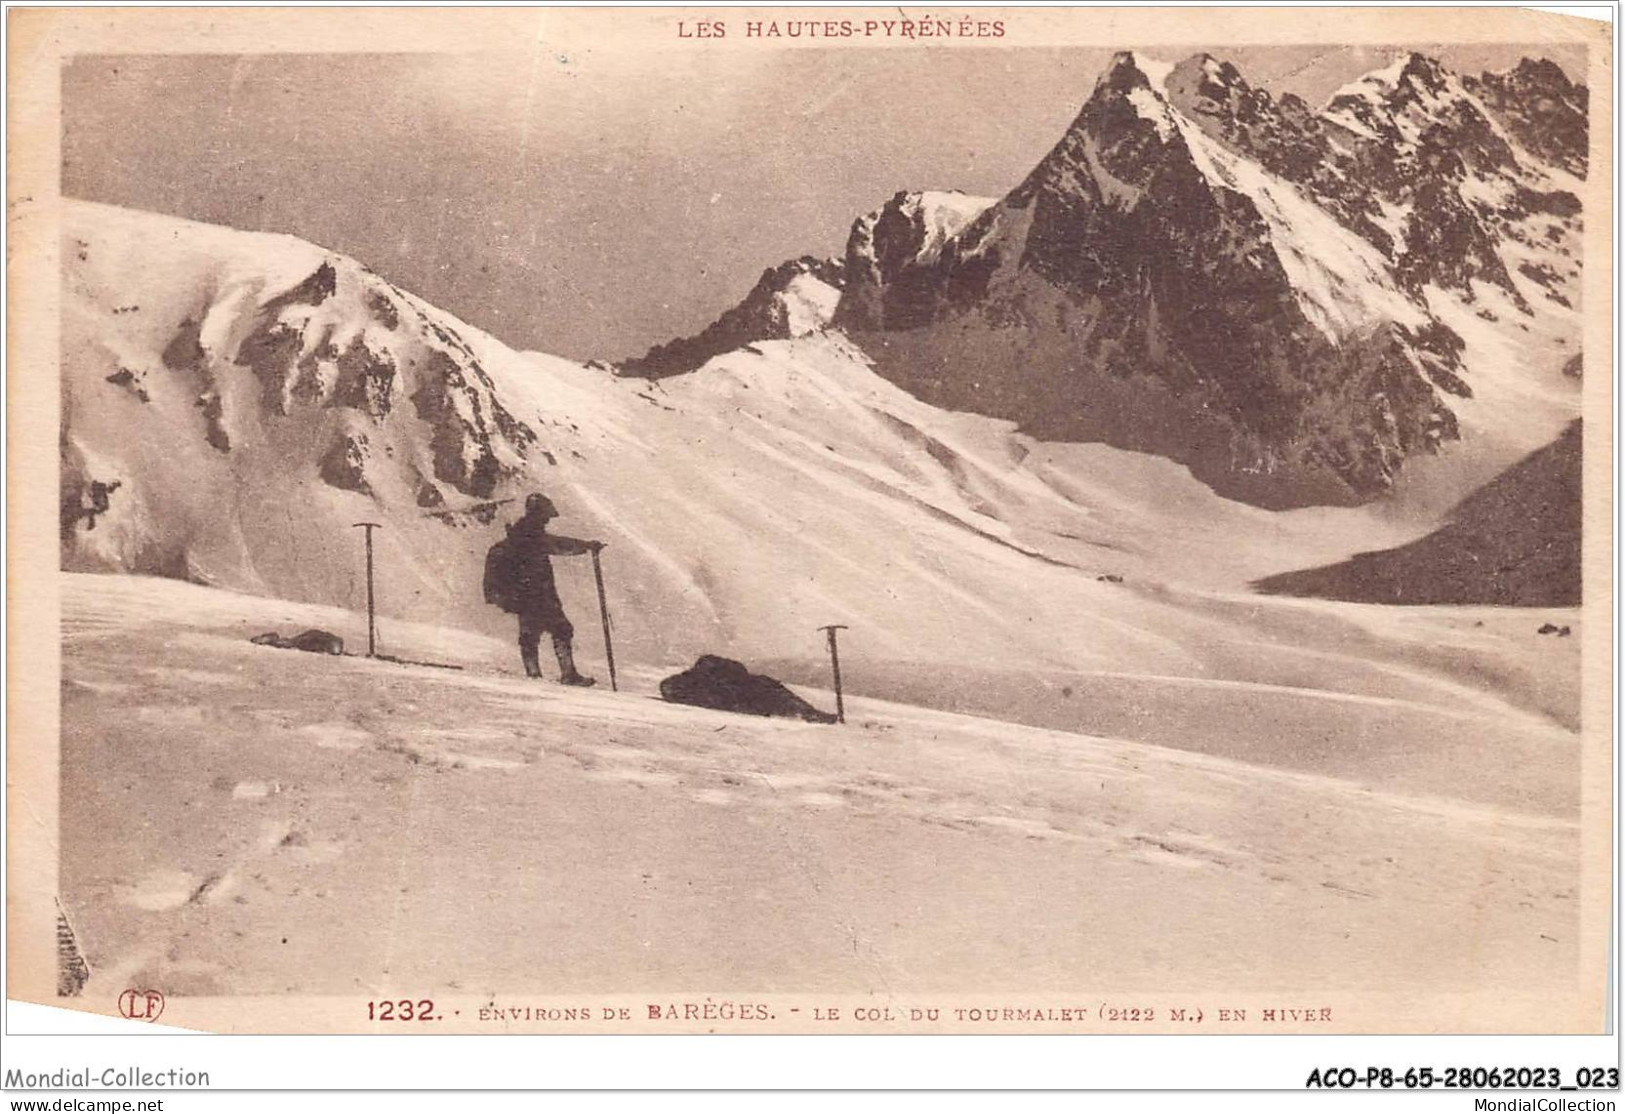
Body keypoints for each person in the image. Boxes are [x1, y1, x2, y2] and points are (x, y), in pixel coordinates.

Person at [486, 493, 604, 685]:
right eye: (546, 516)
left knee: (530, 633)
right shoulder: (531, 533)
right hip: (537, 594)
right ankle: (566, 674)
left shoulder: (520, 532)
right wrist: (586, 546)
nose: (548, 520)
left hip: (525, 594)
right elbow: (558, 545)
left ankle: (534, 673)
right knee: (561, 629)